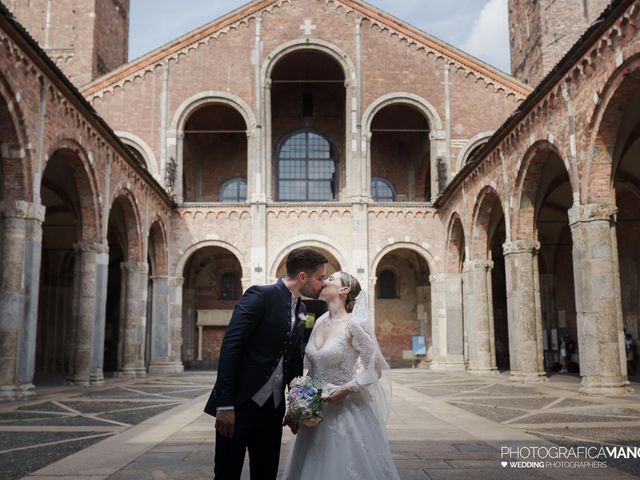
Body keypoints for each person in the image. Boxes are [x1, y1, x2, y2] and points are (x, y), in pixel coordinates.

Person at [204, 248, 328, 480]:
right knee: (226, 472)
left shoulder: (301, 309)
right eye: (320, 278)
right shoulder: (260, 296)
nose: (323, 283)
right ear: (303, 277)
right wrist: (225, 405)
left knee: (266, 472)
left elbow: (291, 360)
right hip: (238, 406)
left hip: (273, 409)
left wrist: (295, 406)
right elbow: (231, 348)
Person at [283, 271, 400, 479]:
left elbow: (375, 368)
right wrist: (296, 406)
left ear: (344, 290)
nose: (323, 282)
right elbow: (312, 370)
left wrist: (346, 389)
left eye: (330, 279)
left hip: (344, 408)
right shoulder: (318, 321)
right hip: (314, 410)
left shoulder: (354, 325)